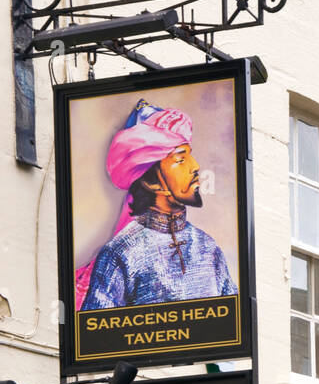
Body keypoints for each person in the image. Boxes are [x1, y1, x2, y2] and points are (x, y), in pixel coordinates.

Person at [78, 100, 237, 311]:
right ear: (151, 181)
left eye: (190, 155)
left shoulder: (209, 248)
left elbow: (234, 324)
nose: (195, 166)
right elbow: (97, 336)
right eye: (181, 159)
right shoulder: (120, 254)